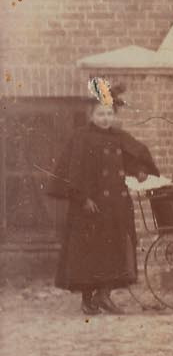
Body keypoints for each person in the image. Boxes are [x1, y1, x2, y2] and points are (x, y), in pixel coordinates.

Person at [46, 80, 162, 318]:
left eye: (109, 114)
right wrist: (83, 198)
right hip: (90, 207)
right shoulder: (81, 137)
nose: (105, 118)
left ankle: (104, 294)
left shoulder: (119, 137)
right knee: (89, 252)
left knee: (114, 250)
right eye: (100, 114)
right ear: (91, 114)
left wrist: (140, 171)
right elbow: (73, 172)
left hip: (116, 205)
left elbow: (132, 157)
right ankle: (87, 298)